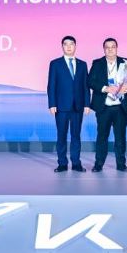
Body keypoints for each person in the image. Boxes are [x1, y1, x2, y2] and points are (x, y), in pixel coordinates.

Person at [88, 38, 127, 172]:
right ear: (104, 49)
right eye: (107, 47)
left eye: (113, 47)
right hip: (103, 107)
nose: (110, 49)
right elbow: (90, 81)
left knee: (120, 137)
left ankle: (121, 164)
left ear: (117, 48)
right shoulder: (97, 63)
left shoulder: (126, 62)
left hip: (121, 107)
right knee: (102, 137)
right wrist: (106, 88)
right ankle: (98, 164)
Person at [47, 35, 90, 172]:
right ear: (62, 47)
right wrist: (52, 104)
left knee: (76, 136)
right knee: (61, 135)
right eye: (66, 44)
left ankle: (76, 163)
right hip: (61, 106)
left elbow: (85, 86)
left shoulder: (83, 64)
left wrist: (87, 104)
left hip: (78, 106)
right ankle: (62, 163)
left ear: (75, 46)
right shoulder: (55, 64)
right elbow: (51, 85)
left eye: (71, 44)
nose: (69, 46)